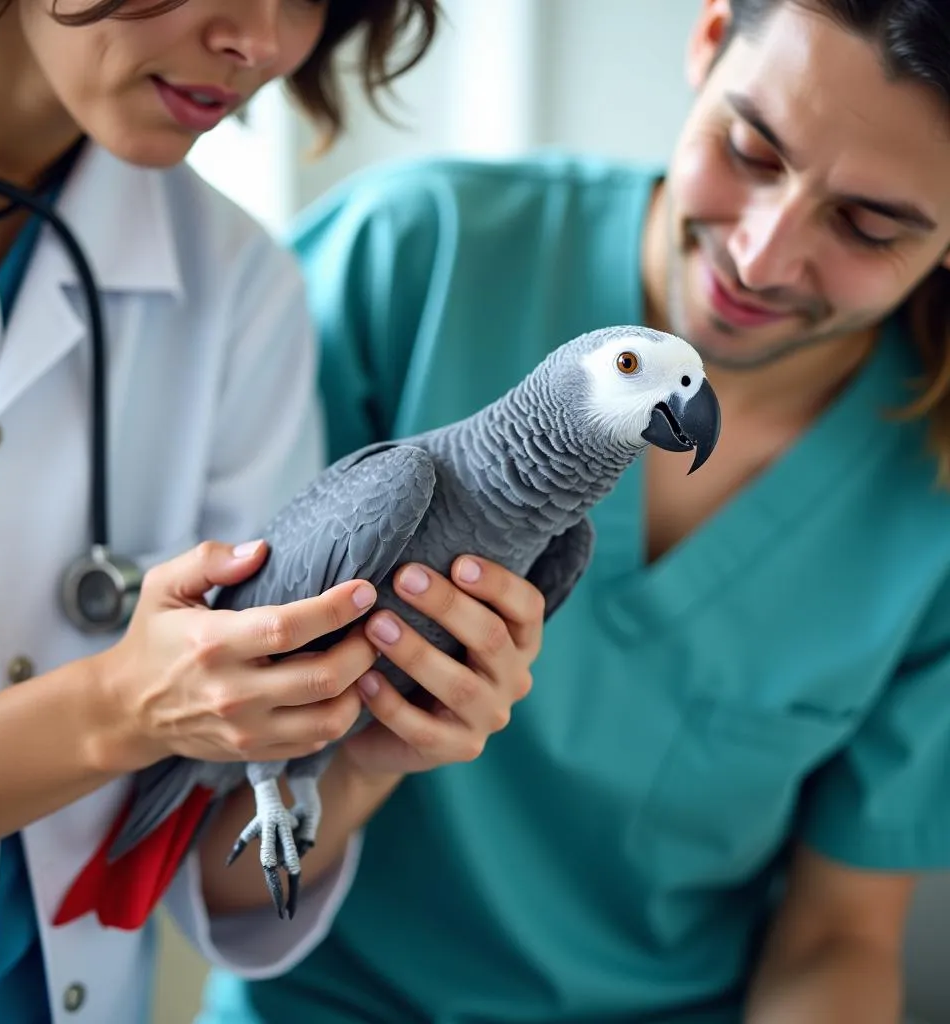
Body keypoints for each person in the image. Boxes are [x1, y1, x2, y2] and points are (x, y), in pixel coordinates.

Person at [196, 0, 950, 1021]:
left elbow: (837, 934)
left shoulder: (927, 501)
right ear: (704, 36)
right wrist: (374, 751)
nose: (760, 258)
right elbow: (208, 850)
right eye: (747, 148)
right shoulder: (413, 257)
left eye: (867, 224)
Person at [0, 0, 549, 1021]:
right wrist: (116, 707)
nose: (258, 43)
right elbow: (136, 717)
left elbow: (206, 870)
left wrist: (367, 756)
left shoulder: (237, 284)